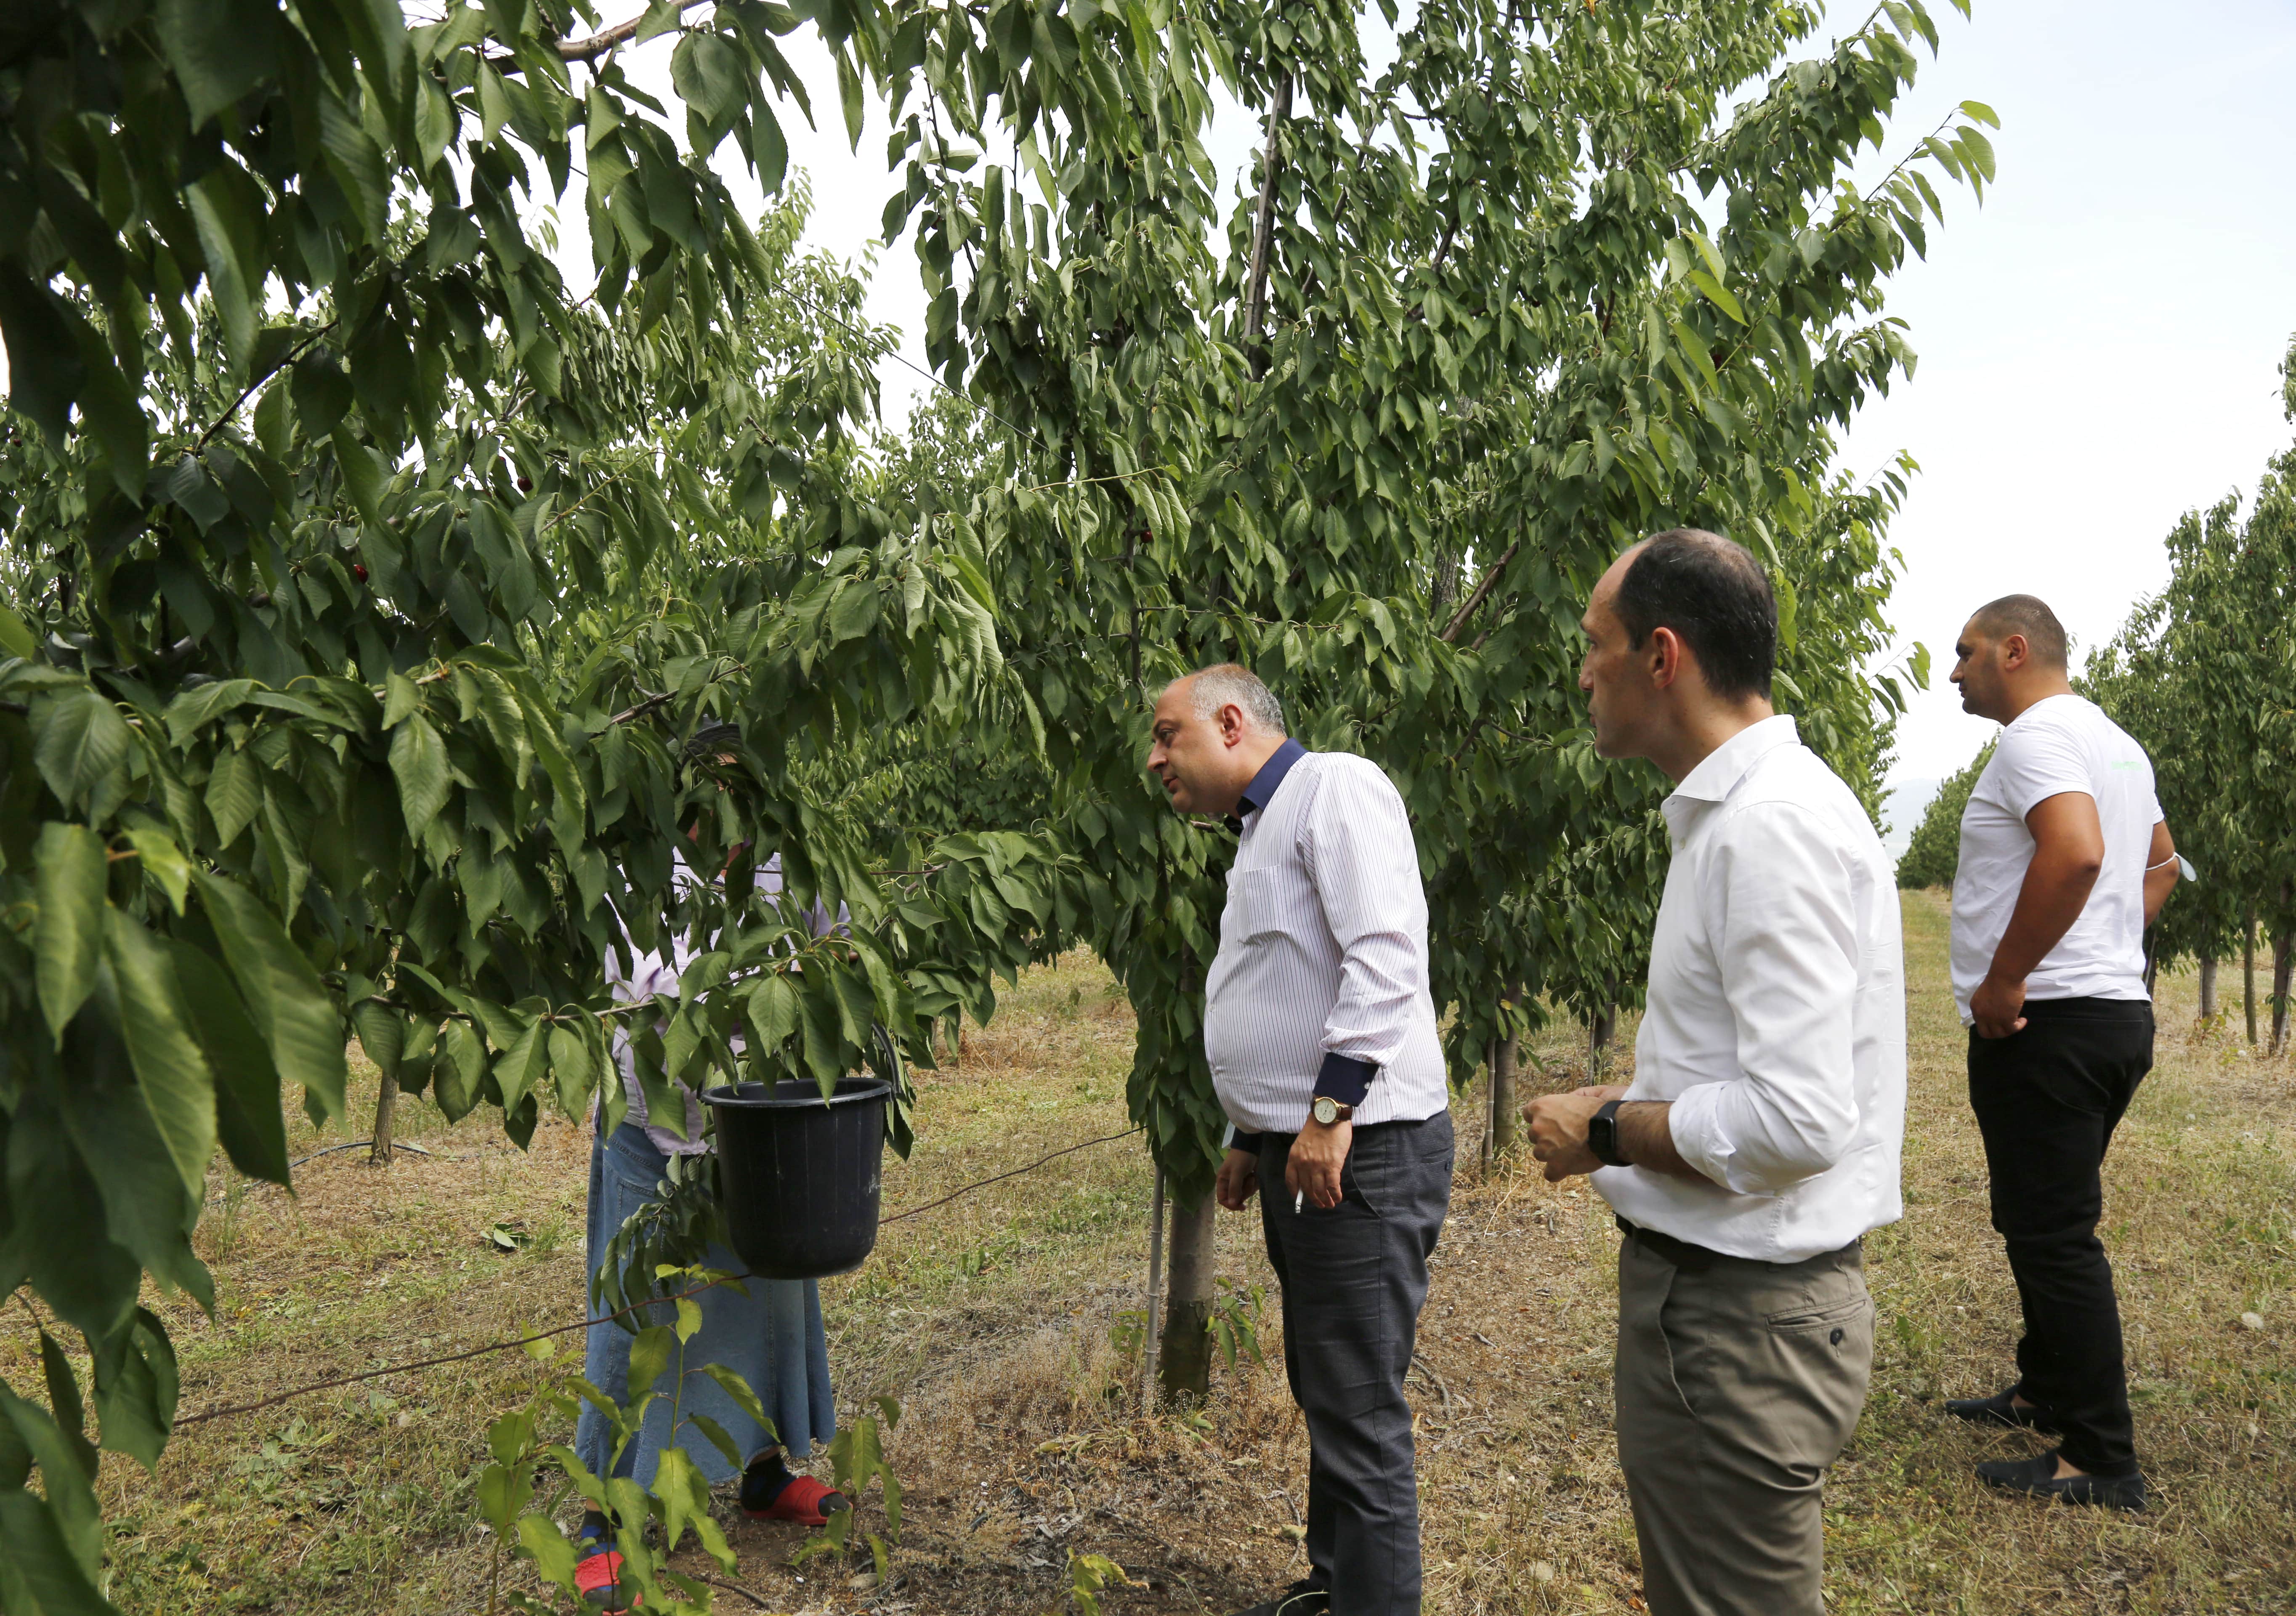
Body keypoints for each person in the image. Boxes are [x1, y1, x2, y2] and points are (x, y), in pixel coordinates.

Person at [1523, 531, 1904, 1616]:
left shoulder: (1765, 828)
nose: (1581, 672)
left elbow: (1797, 1120)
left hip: (1736, 1326)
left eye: (1594, 644)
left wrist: (1608, 1130)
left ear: (1661, 656)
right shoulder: (1750, 813)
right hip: (1740, 1315)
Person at [1147, 664, 1454, 1616]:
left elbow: (1385, 954)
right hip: (1311, 1144)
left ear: (1232, 722)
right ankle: (1336, 1585)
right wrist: (1254, 1132)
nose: (1155, 758)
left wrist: (1326, 1113)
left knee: (1358, 1407)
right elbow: (1291, 983)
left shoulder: (1334, 788)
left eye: (1167, 734)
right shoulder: (1261, 828)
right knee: (1329, 1385)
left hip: (1361, 1145)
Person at [1940, 594, 2177, 1511]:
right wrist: (2110, 943)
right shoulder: (2117, 744)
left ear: (2015, 649)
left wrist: (2009, 978)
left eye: (1965, 653)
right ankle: (2044, 1388)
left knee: (2053, 1235)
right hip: (2110, 1016)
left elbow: (2075, 854)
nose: (1954, 673)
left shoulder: (2034, 738)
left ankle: (2100, 1457)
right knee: (2038, 1215)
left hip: (2048, 1025)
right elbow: (2160, 863)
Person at [572, 848, 846, 1610]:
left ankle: (762, 1474)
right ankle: (601, 1517)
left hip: (755, 1123)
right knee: (631, 1321)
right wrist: (746, 990)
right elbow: (639, 991)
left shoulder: (787, 859)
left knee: (764, 1297)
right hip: (649, 1125)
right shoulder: (638, 866)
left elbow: (840, 950)